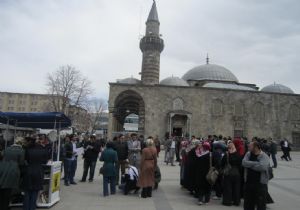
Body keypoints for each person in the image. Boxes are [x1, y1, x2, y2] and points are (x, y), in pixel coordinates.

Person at [22, 137, 49, 210]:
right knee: (35, 192)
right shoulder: (43, 150)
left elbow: (26, 160)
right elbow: (45, 162)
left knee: (27, 192)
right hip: (38, 172)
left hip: (29, 171)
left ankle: (26, 208)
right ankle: (32, 208)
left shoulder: (27, 149)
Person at [242, 141, 270, 210]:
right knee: (248, 204)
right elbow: (244, 163)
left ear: (256, 147)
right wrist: (256, 163)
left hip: (260, 185)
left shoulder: (264, 156)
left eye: (250, 146)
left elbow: (262, 167)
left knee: (261, 205)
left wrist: (250, 165)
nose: (248, 147)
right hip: (248, 184)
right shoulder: (248, 154)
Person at [221, 141, 242, 206]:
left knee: (228, 188)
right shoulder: (238, 154)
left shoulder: (226, 154)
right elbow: (240, 165)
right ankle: (236, 202)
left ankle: (227, 202)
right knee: (236, 188)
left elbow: (222, 164)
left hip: (228, 173)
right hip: (236, 173)